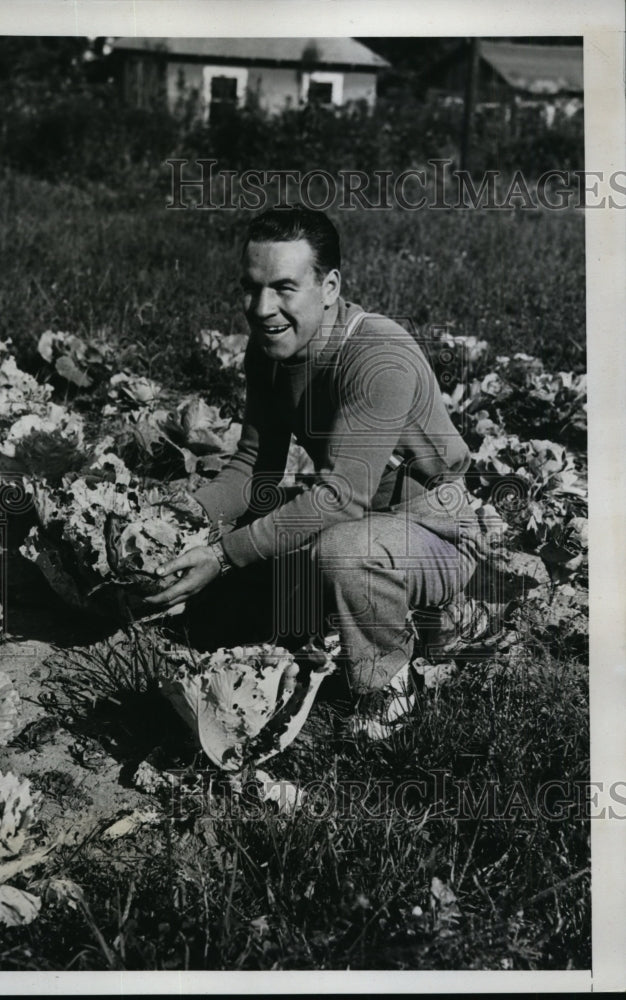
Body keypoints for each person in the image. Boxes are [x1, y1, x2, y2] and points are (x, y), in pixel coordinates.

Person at [145, 206, 484, 739]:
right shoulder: (270, 351)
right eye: (251, 288)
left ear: (329, 286)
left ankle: (390, 682)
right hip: (357, 516)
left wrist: (221, 553)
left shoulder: (378, 356)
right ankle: (357, 616)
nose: (261, 308)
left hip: (437, 529)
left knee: (343, 553)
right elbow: (255, 466)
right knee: (216, 615)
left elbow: (340, 498)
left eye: (283, 288)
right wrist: (181, 516)